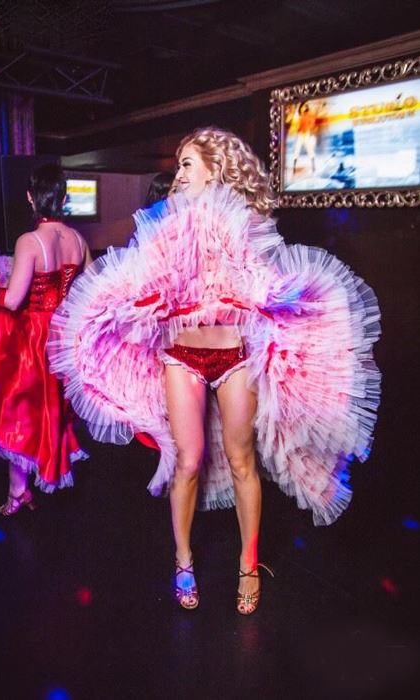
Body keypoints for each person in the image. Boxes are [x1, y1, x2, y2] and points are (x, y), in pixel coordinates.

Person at [48, 128, 381, 614]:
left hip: (235, 356)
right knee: (188, 461)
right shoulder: (164, 222)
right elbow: (143, 280)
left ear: (214, 169)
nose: (179, 174)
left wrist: (277, 293)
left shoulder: (242, 220)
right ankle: (183, 559)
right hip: (181, 355)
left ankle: (248, 563)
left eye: (187, 164)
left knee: (243, 460)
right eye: (179, 165)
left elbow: (257, 281)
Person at [0, 165, 91, 515]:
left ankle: (18, 491)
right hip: (66, 338)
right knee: (52, 412)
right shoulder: (78, 240)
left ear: (31, 198)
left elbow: (13, 301)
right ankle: (23, 486)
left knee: (19, 412)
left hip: (33, 338)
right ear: (64, 198)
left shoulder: (29, 241)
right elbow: (94, 289)